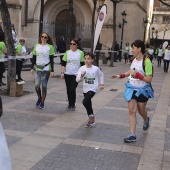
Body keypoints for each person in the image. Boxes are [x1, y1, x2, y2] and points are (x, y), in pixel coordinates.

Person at [112, 40, 154, 143]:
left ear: (139, 49)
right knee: (132, 110)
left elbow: (149, 79)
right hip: (132, 88)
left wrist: (138, 75)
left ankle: (146, 119)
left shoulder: (146, 61)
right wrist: (120, 75)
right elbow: (131, 72)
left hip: (143, 90)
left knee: (141, 110)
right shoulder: (134, 60)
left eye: (133, 48)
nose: (132, 50)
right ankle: (132, 134)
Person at [76, 52, 104, 127]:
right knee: (88, 103)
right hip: (85, 88)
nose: (86, 60)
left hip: (93, 88)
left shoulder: (95, 69)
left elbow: (101, 75)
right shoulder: (82, 68)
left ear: (92, 60)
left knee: (85, 101)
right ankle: (91, 119)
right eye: (85, 59)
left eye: (88, 59)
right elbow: (77, 80)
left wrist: (101, 84)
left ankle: (91, 116)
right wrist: (82, 75)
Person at [31, 32, 55, 109]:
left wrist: (52, 70)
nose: (44, 38)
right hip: (38, 68)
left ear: (47, 39)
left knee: (44, 86)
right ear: (40, 38)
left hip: (46, 69)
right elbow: (34, 58)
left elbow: (51, 59)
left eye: (45, 37)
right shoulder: (36, 46)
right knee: (37, 85)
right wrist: (32, 67)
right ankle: (39, 97)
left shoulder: (50, 47)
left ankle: (42, 101)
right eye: (42, 37)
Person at [61, 38, 84, 111]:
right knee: (68, 90)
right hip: (67, 74)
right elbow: (63, 64)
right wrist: (62, 72)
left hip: (76, 75)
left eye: (73, 44)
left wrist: (81, 74)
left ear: (77, 45)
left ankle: (73, 104)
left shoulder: (80, 53)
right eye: (71, 44)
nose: (72, 45)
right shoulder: (67, 52)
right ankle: (70, 104)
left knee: (72, 89)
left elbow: (83, 64)